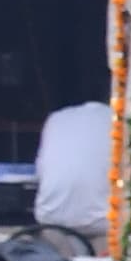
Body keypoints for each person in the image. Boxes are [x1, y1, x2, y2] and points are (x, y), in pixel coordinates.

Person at [27, 98, 111, 246]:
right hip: (104, 225)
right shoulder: (118, 119)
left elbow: (40, 172)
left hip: (52, 223)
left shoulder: (55, 119)